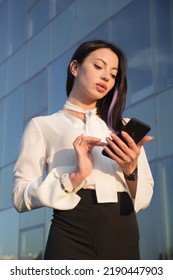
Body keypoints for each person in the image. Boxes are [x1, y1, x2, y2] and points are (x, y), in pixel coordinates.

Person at [12, 40, 154, 260]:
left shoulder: (124, 128)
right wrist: (73, 177)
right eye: (99, 66)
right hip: (71, 229)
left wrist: (131, 169)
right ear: (75, 68)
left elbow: (144, 199)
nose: (107, 77)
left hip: (123, 230)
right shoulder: (42, 125)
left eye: (113, 74)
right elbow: (19, 197)